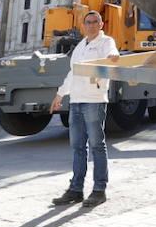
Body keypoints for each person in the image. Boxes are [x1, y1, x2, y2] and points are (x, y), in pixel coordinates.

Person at [49, 11, 121, 208]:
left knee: (97, 145)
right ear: (83, 25)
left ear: (101, 24)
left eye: (94, 22)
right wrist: (60, 94)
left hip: (94, 100)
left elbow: (113, 54)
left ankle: (99, 190)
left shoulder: (106, 42)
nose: (90, 25)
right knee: (78, 147)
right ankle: (76, 189)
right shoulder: (80, 46)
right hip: (76, 102)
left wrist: (114, 56)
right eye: (87, 22)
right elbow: (73, 73)